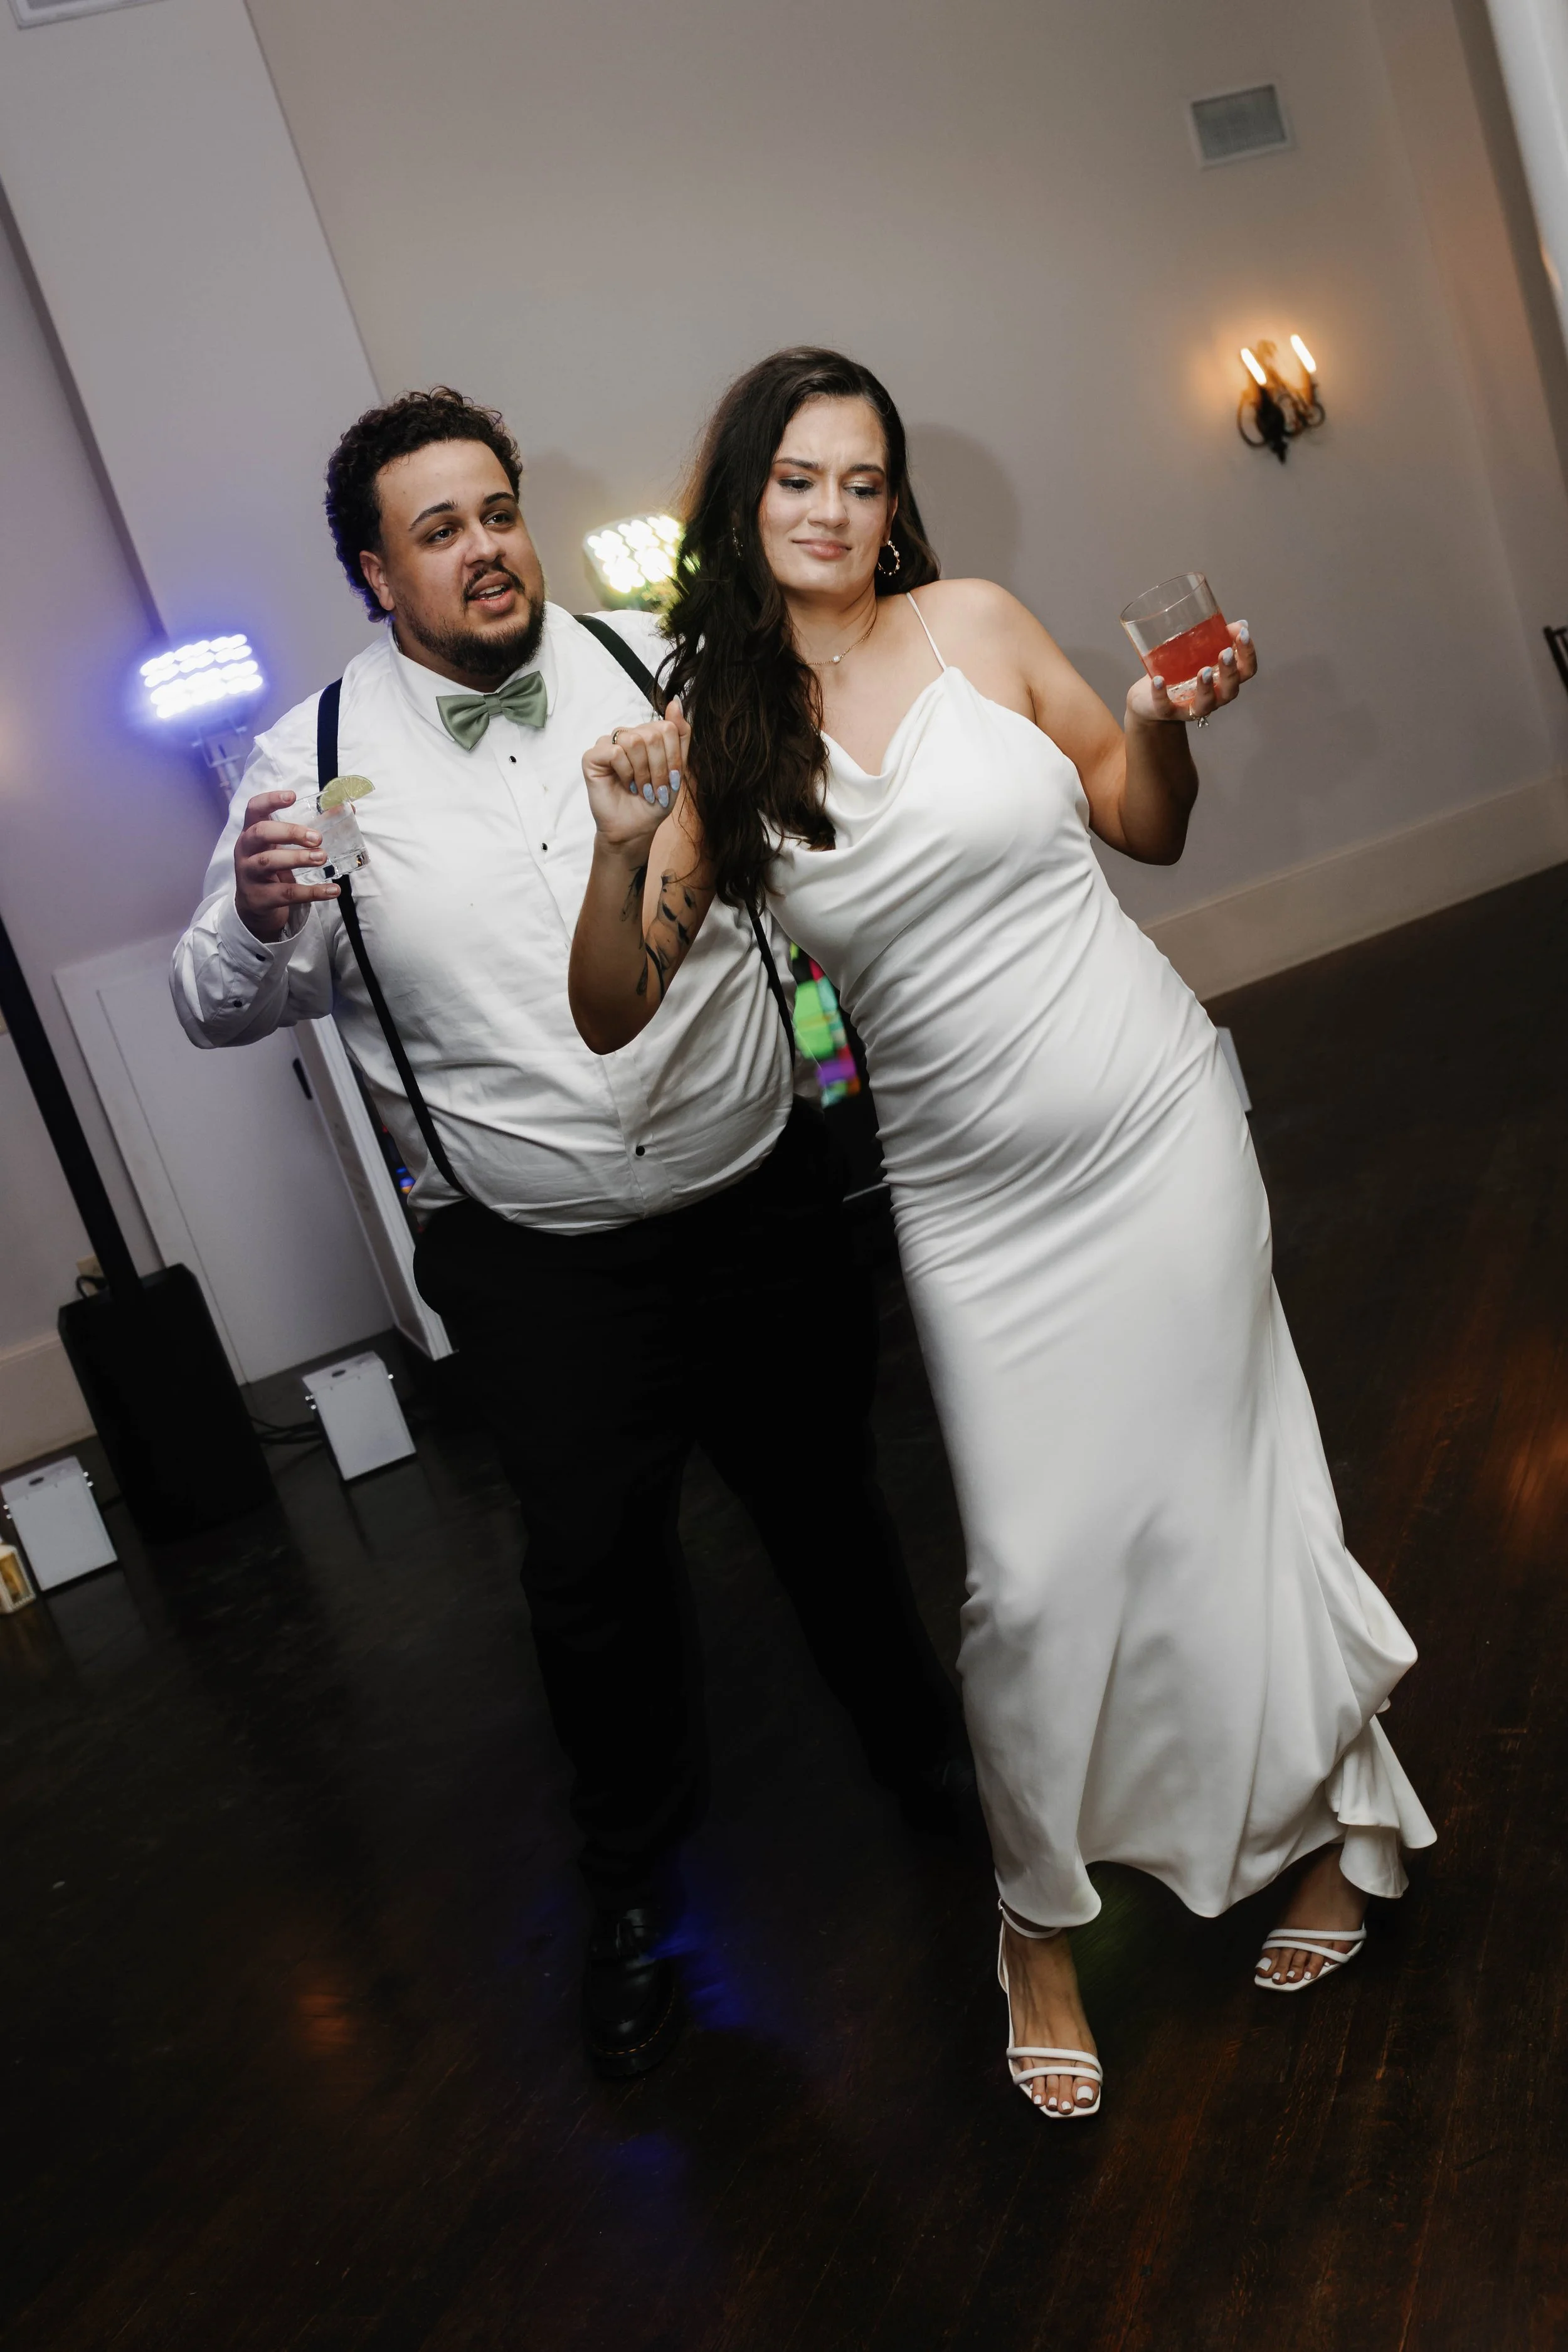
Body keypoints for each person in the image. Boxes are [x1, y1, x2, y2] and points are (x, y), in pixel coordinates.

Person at [568, 347, 1436, 2120]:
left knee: (1229, 1496)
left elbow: (1143, 828)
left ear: (896, 501)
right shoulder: (717, 734)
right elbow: (607, 1007)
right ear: (743, 499)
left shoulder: (975, 625)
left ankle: (1338, 1832)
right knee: (1030, 1575)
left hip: (1157, 1126)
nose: (833, 509)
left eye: (863, 478)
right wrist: (616, 846)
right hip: (972, 1202)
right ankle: (1035, 1921)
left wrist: (1165, 722)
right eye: (798, 477)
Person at [171, 385, 970, 2081]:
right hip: (539, 1263)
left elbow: (815, 849)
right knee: (593, 1580)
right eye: (437, 530)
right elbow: (213, 1003)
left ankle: (933, 1774)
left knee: (832, 1508)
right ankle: (631, 1895)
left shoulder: (656, 666)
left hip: (753, 1195)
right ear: (374, 574)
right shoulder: (307, 764)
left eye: (498, 512)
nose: (485, 550)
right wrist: (247, 922)